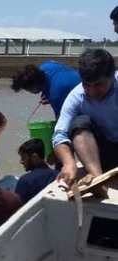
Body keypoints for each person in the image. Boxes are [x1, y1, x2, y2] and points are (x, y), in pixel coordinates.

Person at [52, 49, 118, 188]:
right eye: (87, 85)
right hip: (103, 152)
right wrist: (69, 163)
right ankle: (99, 181)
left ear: (112, 76)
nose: (92, 91)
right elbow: (59, 135)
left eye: (99, 85)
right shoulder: (76, 96)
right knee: (79, 123)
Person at [11, 62, 81, 118]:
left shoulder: (56, 95)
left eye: (28, 89)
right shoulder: (46, 65)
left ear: (35, 85)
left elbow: (62, 121)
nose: (29, 92)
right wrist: (47, 93)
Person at [15, 138, 59, 203]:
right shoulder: (58, 175)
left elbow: (17, 207)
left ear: (34, 157)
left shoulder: (25, 181)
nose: (21, 161)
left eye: (23, 157)